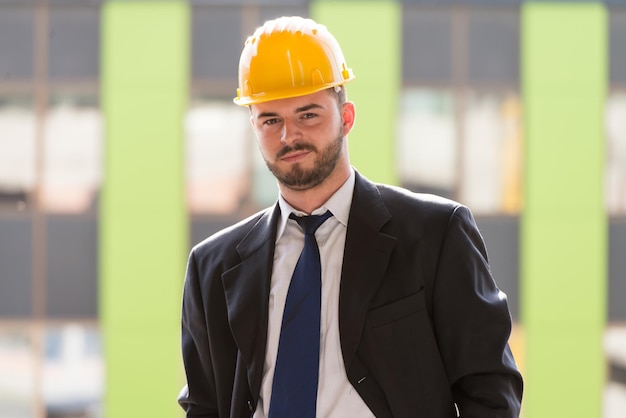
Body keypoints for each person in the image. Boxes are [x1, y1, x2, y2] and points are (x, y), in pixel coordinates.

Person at [178, 15, 523, 418]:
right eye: (271, 120)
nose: (289, 136)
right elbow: (204, 405)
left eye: (308, 115)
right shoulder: (212, 266)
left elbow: (491, 390)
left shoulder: (435, 235)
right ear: (254, 127)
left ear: (346, 118)